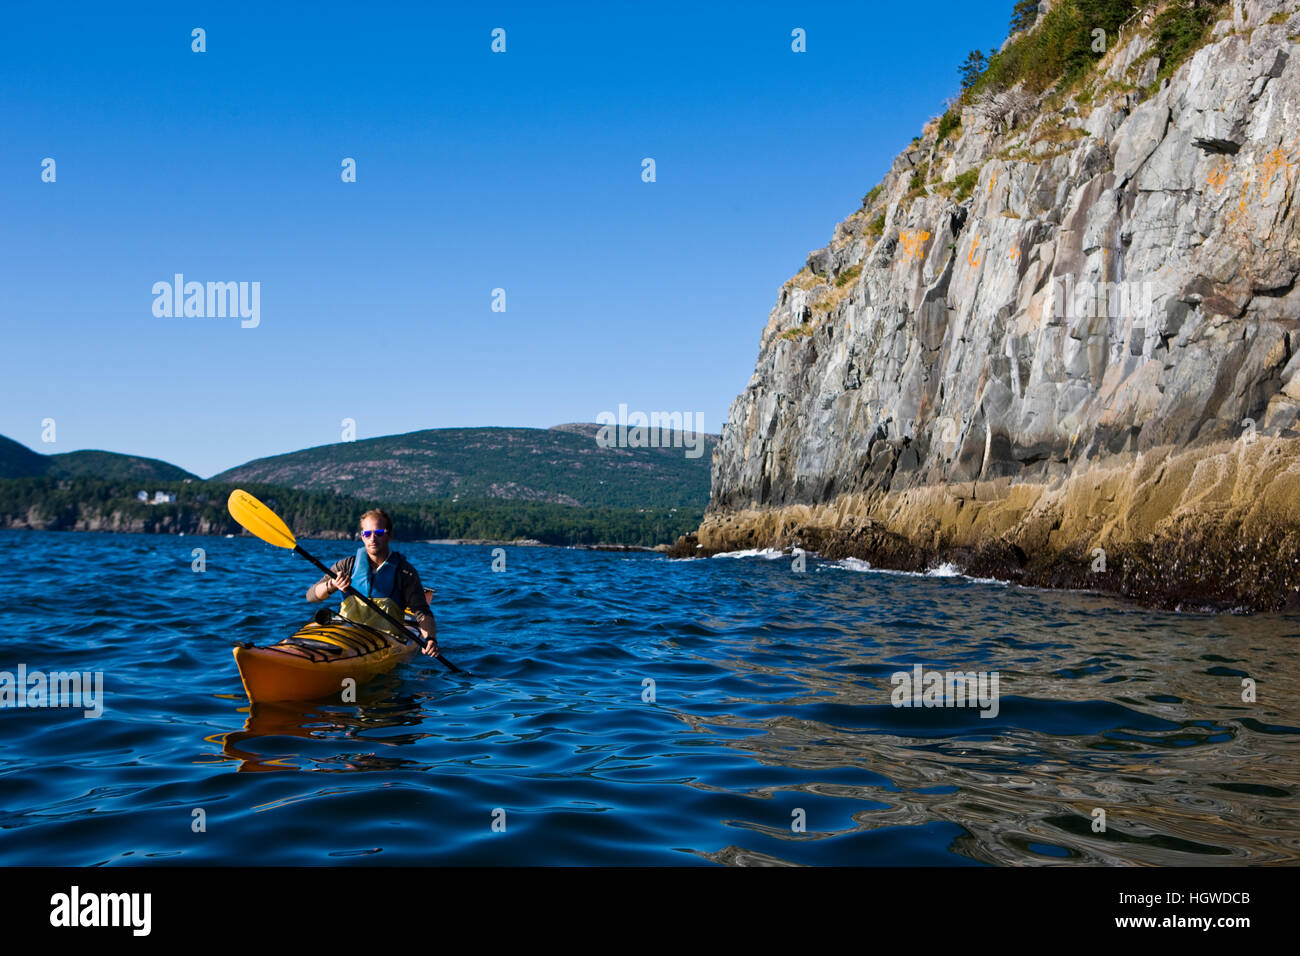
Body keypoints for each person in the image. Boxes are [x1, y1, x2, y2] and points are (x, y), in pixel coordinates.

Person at [306, 509, 439, 657]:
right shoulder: (346, 566)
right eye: (367, 534)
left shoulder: (405, 572)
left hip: (384, 641)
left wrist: (430, 639)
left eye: (379, 533)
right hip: (346, 636)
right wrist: (331, 585)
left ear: (390, 535)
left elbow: (422, 613)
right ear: (362, 536)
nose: (372, 539)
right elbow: (311, 596)